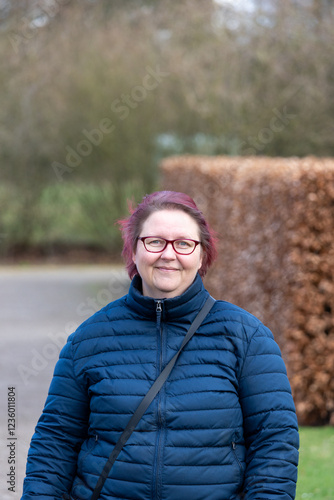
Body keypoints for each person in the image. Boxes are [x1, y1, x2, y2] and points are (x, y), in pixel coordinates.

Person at [21, 190, 299, 500]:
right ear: (134, 250)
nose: (169, 254)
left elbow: (274, 441)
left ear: (202, 254)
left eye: (183, 243)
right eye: (155, 242)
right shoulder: (90, 338)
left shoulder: (247, 337)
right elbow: (55, 442)